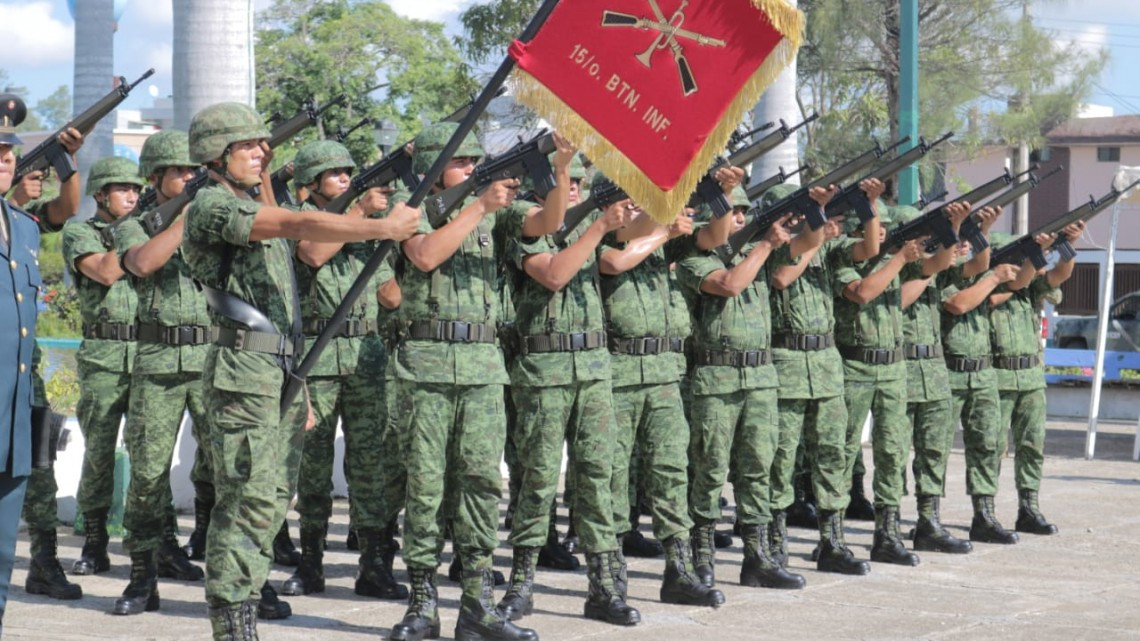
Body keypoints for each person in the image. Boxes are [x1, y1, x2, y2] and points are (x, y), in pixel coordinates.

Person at [180, 101, 418, 640]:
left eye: (264, 144)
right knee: (245, 502)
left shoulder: (244, 201)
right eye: (248, 145)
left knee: (266, 502)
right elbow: (296, 221)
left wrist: (299, 379)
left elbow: (285, 306)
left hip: (277, 368)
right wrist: (379, 225)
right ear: (216, 154)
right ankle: (232, 626)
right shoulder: (211, 206)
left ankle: (243, 613)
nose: (262, 152)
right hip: (242, 371)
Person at [389, 122, 575, 641]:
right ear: (430, 167)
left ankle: (478, 605)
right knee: (425, 488)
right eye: (462, 162)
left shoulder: (496, 212)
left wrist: (558, 168)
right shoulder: (409, 209)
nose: (472, 169)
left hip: (482, 366)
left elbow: (549, 220)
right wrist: (478, 205)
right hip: (424, 365)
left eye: (477, 161)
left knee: (479, 484)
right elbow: (424, 255)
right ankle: (422, 604)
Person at [498, 157, 640, 628]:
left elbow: (649, 231)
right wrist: (598, 225)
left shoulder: (591, 229)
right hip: (544, 369)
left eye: (579, 181)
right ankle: (522, 583)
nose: (575, 188)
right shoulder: (522, 229)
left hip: (595, 369)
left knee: (598, 477)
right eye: (565, 181)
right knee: (537, 480)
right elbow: (555, 274)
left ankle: (605, 585)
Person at [597, 173, 735, 604]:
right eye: (634, 204)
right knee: (612, 475)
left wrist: (720, 194)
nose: (641, 211)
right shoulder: (597, 242)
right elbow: (618, 261)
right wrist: (662, 229)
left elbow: (714, 236)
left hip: (664, 374)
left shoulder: (664, 242)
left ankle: (679, 569)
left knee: (671, 472)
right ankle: (609, 577)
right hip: (619, 372)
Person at [280, 139, 405, 601]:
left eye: (348, 173)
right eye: (335, 174)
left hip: (366, 357)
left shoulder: (365, 227)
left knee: (372, 464)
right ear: (311, 185)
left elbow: (392, 297)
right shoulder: (299, 221)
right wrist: (359, 216)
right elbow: (312, 254)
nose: (346, 180)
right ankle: (310, 563)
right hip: (317, 355)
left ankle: (375, 565)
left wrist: (382, 236)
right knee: (312, 466)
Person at [675, 187, 806, 590]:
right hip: (716, 380)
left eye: (745, 213)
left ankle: (757, 557)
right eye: (732, 213)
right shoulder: (693, 261)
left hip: (761, 378)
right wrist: (764, 244)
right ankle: (701, 556)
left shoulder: (758, 253)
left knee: (757, 471)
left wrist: (813, 211)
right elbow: (730, 284)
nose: (739, 220)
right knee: (709, 471)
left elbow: (808, 244)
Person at [112, 130, 214, 616]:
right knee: (148, 479)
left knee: (231, 473)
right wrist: (185, 220)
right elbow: (146, 262)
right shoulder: (135, 225)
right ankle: (141, 578)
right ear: (155, 177)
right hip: (157, 365)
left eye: (193, 171)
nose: (189, 178)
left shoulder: (210, 217)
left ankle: (240, 577)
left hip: (213, 362)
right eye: (179, 172)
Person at [6, 113, 86, 602]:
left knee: (38, 471)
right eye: (23, 168)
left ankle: (44, 563)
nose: (33, 177)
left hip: (23, 380)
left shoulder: (27, 228)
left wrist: (66, 161)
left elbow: (67, 206)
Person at [832, 192, 930, 568]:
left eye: (888, 226)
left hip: (893, 369)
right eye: (877, 226)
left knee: (892, 453)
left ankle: (887, 534)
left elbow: (931, 268)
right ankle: (833, 536)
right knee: (840, 453)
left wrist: (952, 230)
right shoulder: (841, 262)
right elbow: (862, 292)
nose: (884, 232)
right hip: (855, 366)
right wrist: (899, 259)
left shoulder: (892, 263)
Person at [61, 155, 144, 576]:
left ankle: (151, 541)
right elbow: (106, 272)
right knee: (99, 454)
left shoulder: (145, 228)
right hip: (105, 358)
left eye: (136, 190)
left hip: (148, 355)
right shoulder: (80, 232)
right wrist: (130, 233)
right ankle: (94, 542)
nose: (132, 196)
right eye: (122, 189)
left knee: (149, 454)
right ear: (100, 195)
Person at [987, 222, 1083, 536]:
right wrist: (1037, 256)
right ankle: (984, 512)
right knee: (991, 448)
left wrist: (1067, 245)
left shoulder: (1031, 287)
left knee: (1032, 447)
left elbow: (1060, 275)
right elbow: (1007, 288)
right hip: (998, 377)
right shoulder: (989, 285)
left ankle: (1029, 508)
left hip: (1030, 376)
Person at [894, 202, 974, 555]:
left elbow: (961, 265)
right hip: (902, 369)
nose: (925, 244)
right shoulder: (891, 268)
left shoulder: (931, 268)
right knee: (892, 454)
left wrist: (955, 228)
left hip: (934, 371)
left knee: (934, 452)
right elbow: (899, 300)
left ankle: (929, 522)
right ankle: (888, 526)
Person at [938, 206, 1021, 545]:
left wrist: (984, 227)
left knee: (988, 445)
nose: (964, 248)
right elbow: (957, 304)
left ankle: (984, 515)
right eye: (958, 242)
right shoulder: (940, 275)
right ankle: (929, 518)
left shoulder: (977, 275)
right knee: (935, 449)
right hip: (951, 373)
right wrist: (993, 278)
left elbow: (993, 271)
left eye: (967, 243)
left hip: (983, 373)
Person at [0, 92, 45, 631]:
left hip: (11, 423)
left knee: (2, 551)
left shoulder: (25, 229)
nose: (5, 160)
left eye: (9, 151)